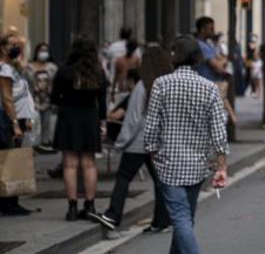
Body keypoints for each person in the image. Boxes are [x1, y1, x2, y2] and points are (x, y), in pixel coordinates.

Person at [142, 35, 229, 254]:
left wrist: (152, 153)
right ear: (198, 58)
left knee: (181, 219)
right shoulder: (209, 88)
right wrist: (222, 165)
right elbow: (219, 131)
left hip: (168, 163)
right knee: (185, 218)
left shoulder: (161, 85)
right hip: (197, 165)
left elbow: (151, 126)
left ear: (174, 56)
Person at [90, 45, 172, 235]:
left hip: (138, 142)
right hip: (159, 144)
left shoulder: (142, 86)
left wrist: (121, 142)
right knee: (160, 182)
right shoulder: (169, 85)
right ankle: (161, 221)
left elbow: (132, 119)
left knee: (124, 177)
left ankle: (113, 215)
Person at [51, 35, 108, 221]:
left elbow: (53, 98)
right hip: (89, 117)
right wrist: (102, 122)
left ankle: (72, 208)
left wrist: (66, 102)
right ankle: (90, 205)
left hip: (68, 117)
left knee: (69, 164)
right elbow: (102, 102)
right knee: (89, 163)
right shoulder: (98, 71)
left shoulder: (64, 71)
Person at [0, 32, 33, 216]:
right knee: (10, 161)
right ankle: (9, 203)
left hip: (18, 118)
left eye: (17, 44)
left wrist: (26, 118)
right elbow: (6, 99)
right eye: (11, 44)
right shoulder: (3, 70)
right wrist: (15, 124)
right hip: (8, 119)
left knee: (12, 160)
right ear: (2, 47)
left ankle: (11, 202)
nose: (15, 48)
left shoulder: (11, 68)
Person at [25, 42, 57, 151]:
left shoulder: (53, 67)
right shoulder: (29, 67)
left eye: (46, 51)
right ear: (36, 52)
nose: (43, 53)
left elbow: (55, 84)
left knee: (47, 123)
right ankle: (34, 145)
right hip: (33, 100)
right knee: (34, 123)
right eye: (41, 50)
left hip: (48, 100)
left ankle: (45, 144)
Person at [193, 17, 226, 83]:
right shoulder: (201, 46)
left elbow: (219, 58)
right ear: (202, 29)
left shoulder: (208, 44)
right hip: (206, 84)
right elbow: (218, 68)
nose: (213, 31)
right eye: (211, 29)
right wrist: (224, 61)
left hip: (211, 83)